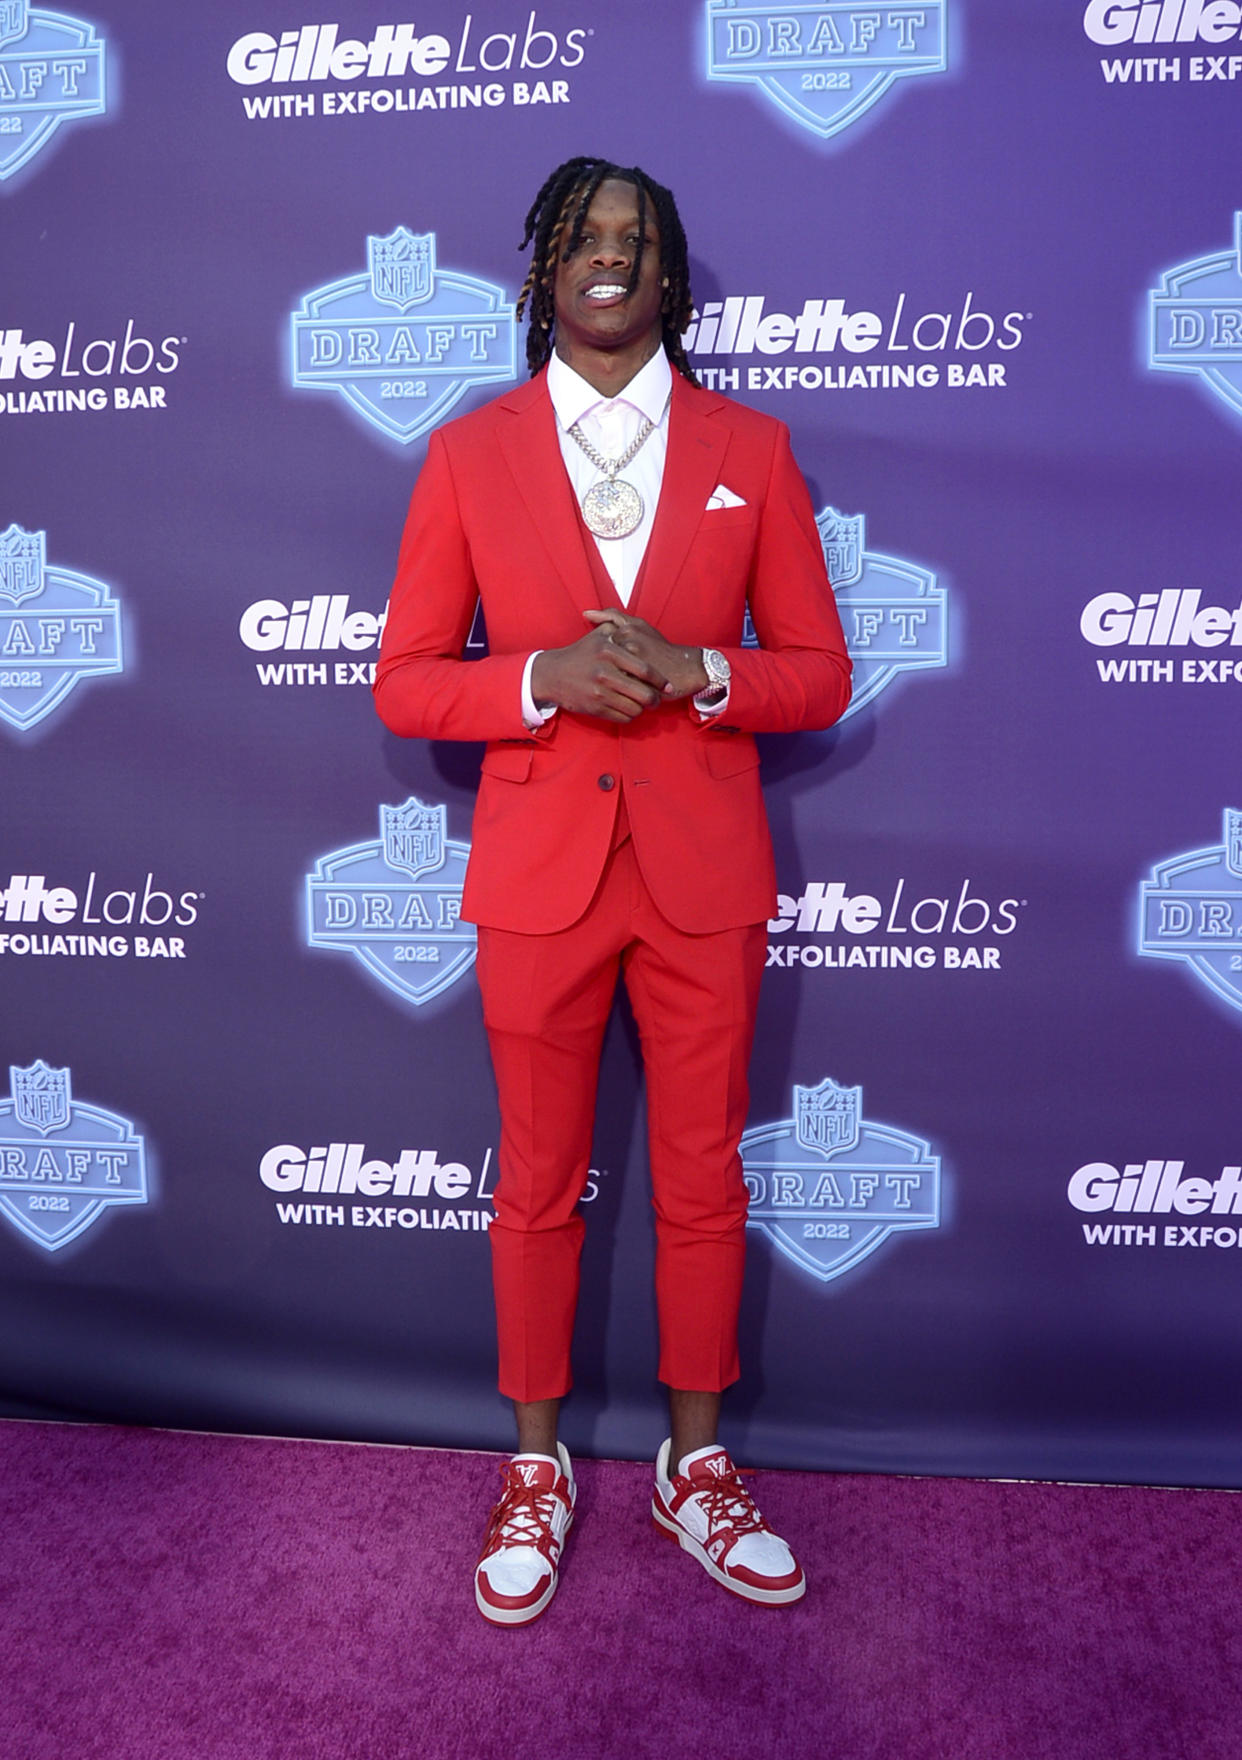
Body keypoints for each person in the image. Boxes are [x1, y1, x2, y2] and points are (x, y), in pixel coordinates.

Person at [374, 156, 851, 1626]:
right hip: (537, 882)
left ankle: (693, 1465)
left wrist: (703, 669)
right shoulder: (466, 456)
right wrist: (539, 679)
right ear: (540, 271)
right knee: (534, 1184)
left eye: (634, 240)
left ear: (669, 279)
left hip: (703, 875)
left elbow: (820, 673)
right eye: (581, 236)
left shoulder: (753, 450)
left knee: (703, 1178)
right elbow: (403, 682)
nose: (608, 257)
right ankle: (534, 1465)